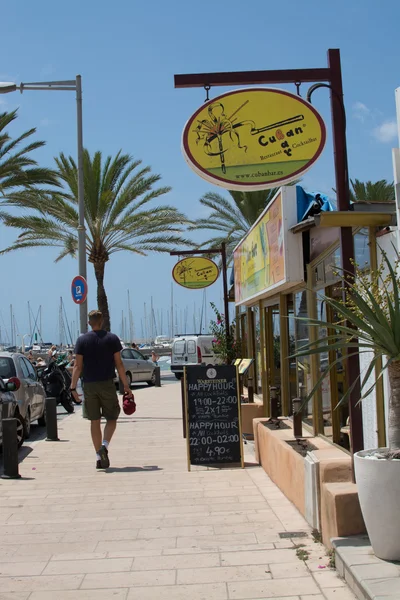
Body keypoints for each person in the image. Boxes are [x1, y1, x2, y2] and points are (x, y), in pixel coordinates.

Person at [70, 309, 133, 470]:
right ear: (102, 321)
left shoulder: (82, 340)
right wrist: (126, 386)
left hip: (89, 385)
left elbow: (77, 366)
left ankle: (99, 456)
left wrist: (72, 388)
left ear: (89, 323)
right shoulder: (111, 339)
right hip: (107, 384)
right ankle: (104, 445)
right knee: (112, 418)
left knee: (94, 420)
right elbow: (119, 364)